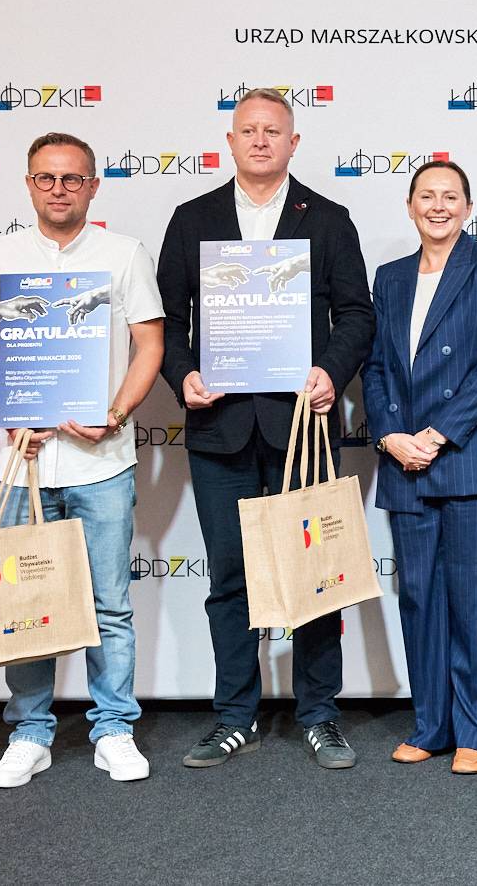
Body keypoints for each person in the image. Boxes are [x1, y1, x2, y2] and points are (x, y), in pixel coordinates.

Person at [157, 88, 374, 770]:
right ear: (229, 141)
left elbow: (357, 315)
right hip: (219, 428)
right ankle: (234, 715)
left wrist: (331, 371)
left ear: (293, 142)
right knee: (228, 577)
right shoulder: (192, 219)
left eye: (272, 131)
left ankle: (319, 713)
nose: (259, 141)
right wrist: (183, 376)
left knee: (315, 575)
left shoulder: (329, 219)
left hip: (301, 429)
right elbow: (167, 321)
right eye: (248, 130)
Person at [0, 133, 165, 788]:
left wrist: (116, 413)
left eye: (72, 178)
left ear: (93, 186)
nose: (59, 189)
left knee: (109, 605)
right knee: (24, 606)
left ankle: (113, 728)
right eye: (47, 178)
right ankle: (30, 733)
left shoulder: (123, 254)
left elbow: (149, 343)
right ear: (29, 184)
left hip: (99, 462)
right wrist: (8, 411)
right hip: (21, 464)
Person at [360, 161, 477, 775]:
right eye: (426, 196)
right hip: (405, 463)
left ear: (468, 206)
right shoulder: (391, 277)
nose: (438, 206)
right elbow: (376, 367)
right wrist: (389, 435)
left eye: (450, 196)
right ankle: (431, 724)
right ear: (410, 207)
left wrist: (437, 434)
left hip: (474, 458)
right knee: (421, 601)